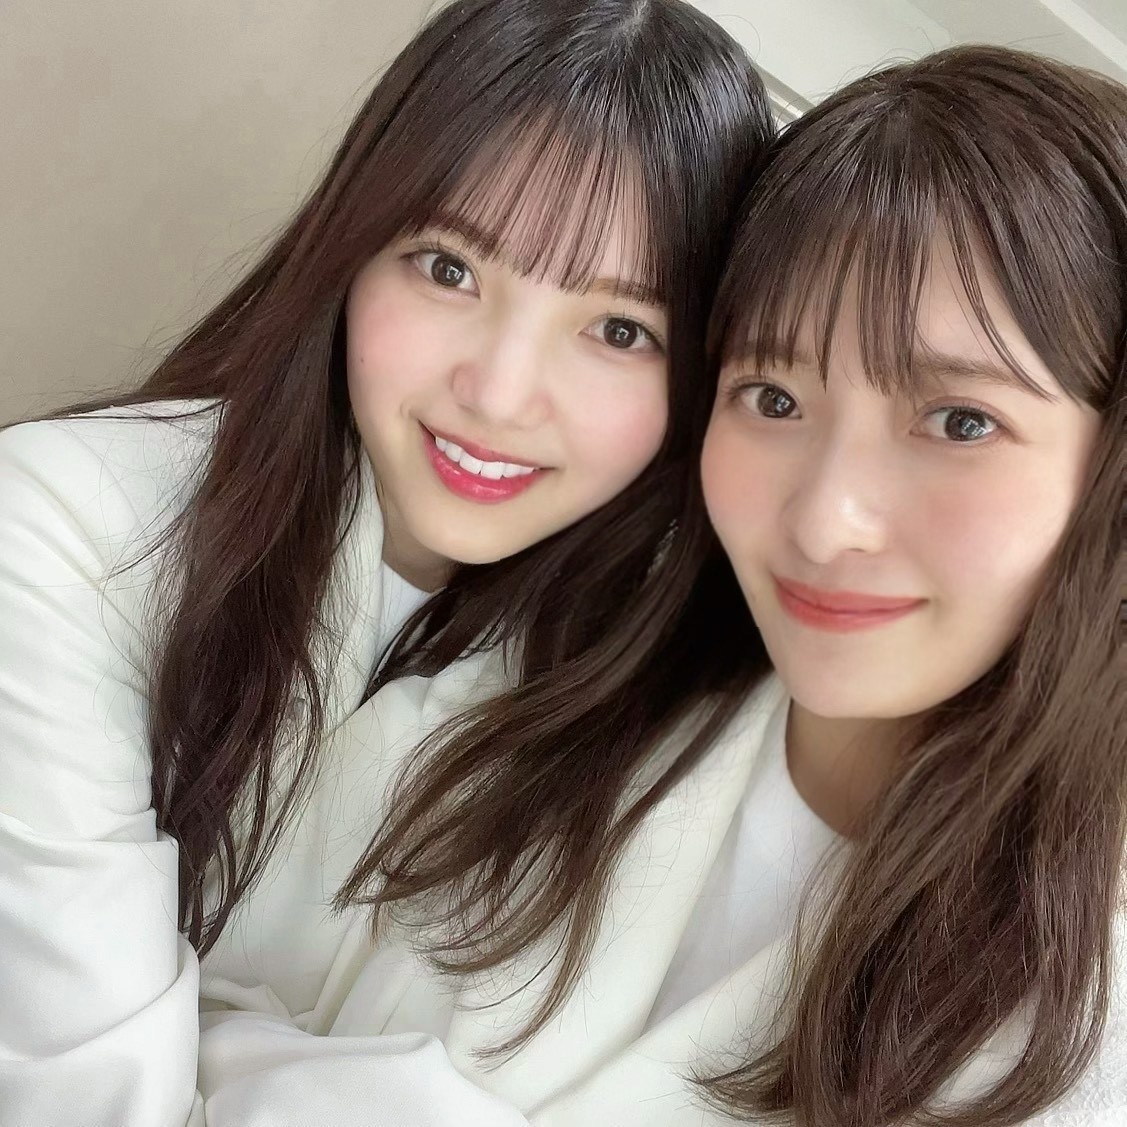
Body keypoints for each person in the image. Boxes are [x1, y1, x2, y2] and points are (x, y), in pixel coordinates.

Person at [257, 44, 1122, 1127]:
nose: (823, 519)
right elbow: (205, 992)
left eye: (958, 421)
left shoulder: (1091, 1035)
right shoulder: (533, 695)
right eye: (771, 397)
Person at [0, 1, 771, 1123]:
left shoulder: (659, 698)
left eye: (618, 330)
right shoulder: (72, 523)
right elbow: (82, 1096)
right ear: (351, 248)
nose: (498, 392)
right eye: (448, 267)